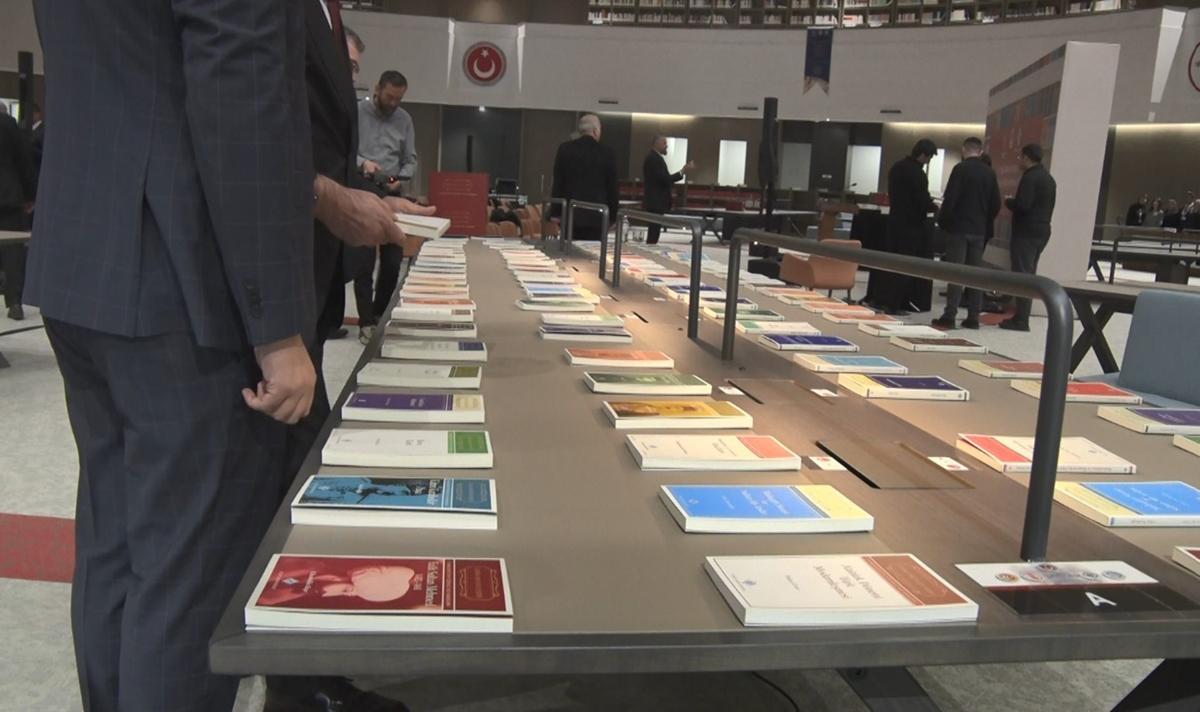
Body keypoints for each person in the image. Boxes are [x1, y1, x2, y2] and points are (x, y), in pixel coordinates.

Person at [354, 70, 418, 343]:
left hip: (393, 190)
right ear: (378, 89)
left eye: (398, 99)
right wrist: (363, 164)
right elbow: (346, 151)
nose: (393, 103)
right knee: (364, 261)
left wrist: (402, 177)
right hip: (363, 188)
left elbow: (411, 159)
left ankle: (379, 313)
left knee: (392, 262)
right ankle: (366, 321)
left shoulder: (404, 120)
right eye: (389, 97)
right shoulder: (358, 113)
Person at [932, 137, 1000, 330]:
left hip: (959, 229)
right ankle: (973, 317)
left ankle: (950, 315)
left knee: (956, 273)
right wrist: (985, 221)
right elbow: (996, 203)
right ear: (980, 151)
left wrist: (944, 223)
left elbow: (950, 199)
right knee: (974, 275)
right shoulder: (989, 172)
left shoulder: (960, 169)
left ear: (964, 150)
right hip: (979, 230)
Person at [1000, 143, 1056, 332]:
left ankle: (1021, 319)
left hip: (1026, 231)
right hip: (1042, 229)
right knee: (1029, 272)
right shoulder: (1048, 178)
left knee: (1022, 275)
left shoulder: (1030, 178)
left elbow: (1023, 205)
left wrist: (1009, 202)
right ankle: (1022, 315)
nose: (1019, 160)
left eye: (1020, 157)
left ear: (1026, 157)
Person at [880, 139, 938, 315]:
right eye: (929, 158)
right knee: (905, 266)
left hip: (894, 222)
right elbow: (921, 201)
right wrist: (935, 207)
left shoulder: (896, 167)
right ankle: (895, 304)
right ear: (923, 155)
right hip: (911, 226)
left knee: (891, 264)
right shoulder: (918, 174)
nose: (928, 161)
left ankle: (885, 300)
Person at [550, 114, 620, 241]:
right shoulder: (607, 153)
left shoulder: (565, 149)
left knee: (569, 248)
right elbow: (612, 188)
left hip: (570, 214)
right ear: (596, 130)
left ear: (580, 131)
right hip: (597, 216)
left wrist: (555, 212)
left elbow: (558, 183)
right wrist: (613, 217)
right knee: (594, 251)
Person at [0, 103, 34, 320]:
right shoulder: (8, 124)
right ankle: (14, 302)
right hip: (8, 194)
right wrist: (30, 194)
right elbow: (24, 160)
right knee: (13, 250)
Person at [642, 135, 694, 245]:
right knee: (653, 232)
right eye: (664, 143)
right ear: (657, 144)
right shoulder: (653, 159)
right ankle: (650, 249)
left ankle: (651, 248)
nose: (667, 146)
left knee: (654, 231)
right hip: (655, 201)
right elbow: (665, 179)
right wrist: (682, 171)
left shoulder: (655, 158)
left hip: (656, 201)